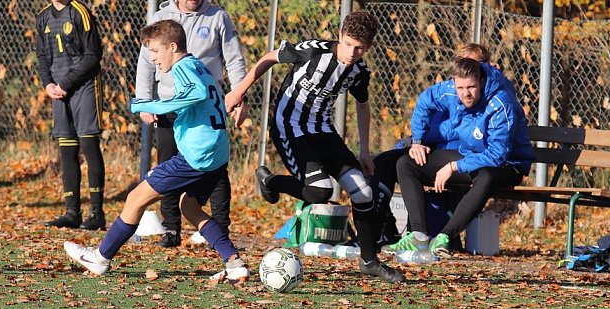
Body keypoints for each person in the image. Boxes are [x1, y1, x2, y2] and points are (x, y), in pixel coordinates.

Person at [225, 11, 405, 283]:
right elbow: (268, 58)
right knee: (320, 191)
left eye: (359, 48)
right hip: (290, 128)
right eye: (347, 44)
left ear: (367, 47)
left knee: (363, 192)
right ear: (340, 36)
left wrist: (365, 151)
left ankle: (369, 261)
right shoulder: (312, 51)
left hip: (323, 131)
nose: (351, 52)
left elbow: (363, 105)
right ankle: (273, 183)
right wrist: (238, 92)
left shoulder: (359, 71)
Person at [64, 20, 248, 282]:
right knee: (190, 206)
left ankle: (100, 258)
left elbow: (194, 93)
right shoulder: (199, 65)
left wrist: (151, 105)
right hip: (215, 154)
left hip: (196, 156)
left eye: (155, 51)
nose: (152, 58)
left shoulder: (183, 66)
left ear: (172, 47)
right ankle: (234, 262)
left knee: (135, 198)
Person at [388, 57, 533, 257]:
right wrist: (418, 142)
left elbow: (497, 155)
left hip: (508, 165)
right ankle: (419, 236)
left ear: (481, 82)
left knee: (487, 176)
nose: (465, 93)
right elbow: (423, 101)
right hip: (471, 157)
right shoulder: (450, 90)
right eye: (460, 87)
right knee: (406, 163)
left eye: (471, 87)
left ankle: (445, 236)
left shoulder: (500, 104)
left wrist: (453, 167)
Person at [135, 0, 247, 247]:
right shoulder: (161, 17)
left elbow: (234, 59)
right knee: (167, 164)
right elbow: (146, 59)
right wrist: (144, 99)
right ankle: (171, 228)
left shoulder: (218, 17)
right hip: (168, 104)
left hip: (203, 109)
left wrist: (239, 97)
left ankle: (219, 228)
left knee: (216, 171)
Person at [371, 43, 493, 245]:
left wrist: (427, 142)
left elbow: (460, 132)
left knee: (405, 163)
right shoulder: (449, 92)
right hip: (431, 152)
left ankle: (426, 235)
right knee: (382, 162)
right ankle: (381, 230)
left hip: (459, 157)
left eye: (473, 65)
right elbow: (425, 109)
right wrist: (417, 142)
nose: (466, 87)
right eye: (462, 65)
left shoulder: (488, 97)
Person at [36, 0, 107, 230]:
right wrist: (48, 84)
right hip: (58, 90)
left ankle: (97, 212)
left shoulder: (80, 12)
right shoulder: (43, 17)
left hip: (83, 86)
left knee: (88, 144)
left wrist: (66, 82)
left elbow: (93, 55)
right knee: (66, 148)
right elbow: (42, 57)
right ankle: (72, 212)